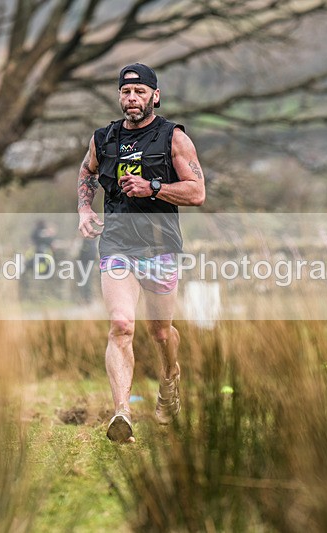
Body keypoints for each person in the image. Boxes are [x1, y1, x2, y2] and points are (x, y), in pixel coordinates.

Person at [76, 63, 205, 443]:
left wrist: (153, 187)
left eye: (140, 92)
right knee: (121, 325)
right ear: (119, 96)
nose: (132, 99)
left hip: (161, 247)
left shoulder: (173, 138)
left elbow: (197, 192)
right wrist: (85, 208)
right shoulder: (104, 139)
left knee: (161, 332)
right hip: (117, 245)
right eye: (126, 92)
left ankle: (170, 378)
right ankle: (122, 413)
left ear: (155, 96)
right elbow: (87, 173)